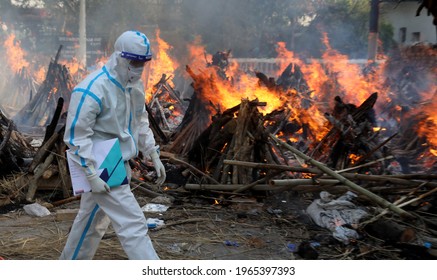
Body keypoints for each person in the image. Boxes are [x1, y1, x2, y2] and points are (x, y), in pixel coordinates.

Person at [60, 30, 165, 260]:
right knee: (134, 224)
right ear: (119, 57)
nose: (138, 68)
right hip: (103, 163)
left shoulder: (134, 86)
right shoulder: (91, 89)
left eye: (143, 63)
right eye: (134, 62)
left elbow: (139, 121)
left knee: (90, 223)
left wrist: (152, 152)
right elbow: (77, 138)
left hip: (118, 161)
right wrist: (90, 174)